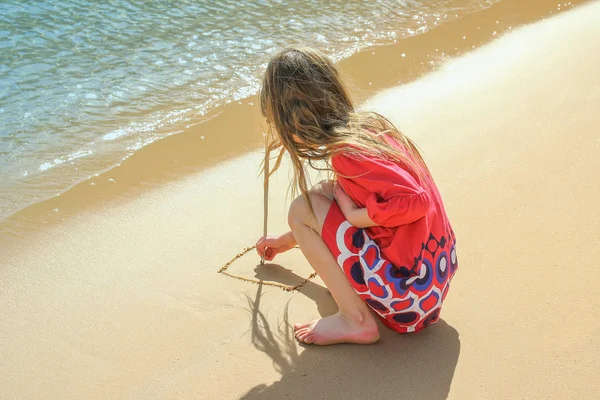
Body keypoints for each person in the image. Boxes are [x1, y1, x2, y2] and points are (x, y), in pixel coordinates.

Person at [255, 47, 457, 345]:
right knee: (330, 190)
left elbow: (417, 201)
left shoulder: (348, 155)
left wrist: (355, 216)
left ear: (293, 121)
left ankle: (356, 320)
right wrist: (286, 241)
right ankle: (356, 301)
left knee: (302, 209)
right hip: (432, 280)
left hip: (410, 298)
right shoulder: (369, 128)